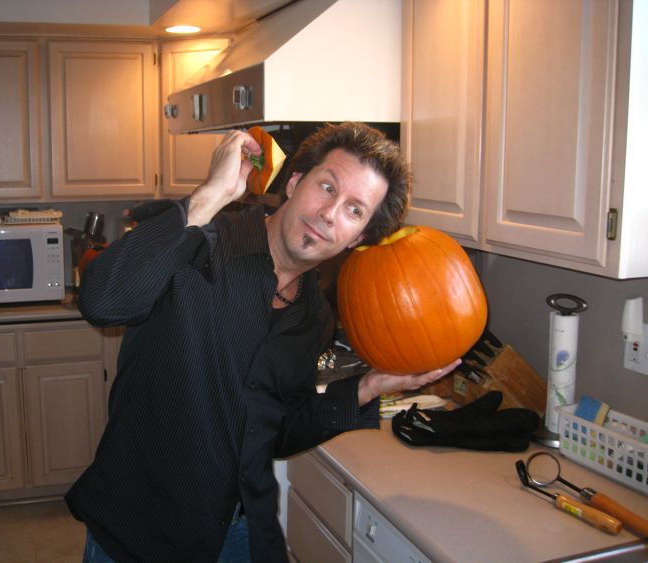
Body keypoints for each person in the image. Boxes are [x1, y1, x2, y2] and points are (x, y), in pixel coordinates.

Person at [66, 122, 459, 562]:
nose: (330, 214)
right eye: (327, 187)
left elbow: (274, 431)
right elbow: (102, 302)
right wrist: (210, 194)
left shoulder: (315, 317)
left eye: (354, 210)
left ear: (360, 237)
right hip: (138, 533)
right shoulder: (198, 245)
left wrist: (370, 387)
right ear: (294, 182)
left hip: (236, 533)